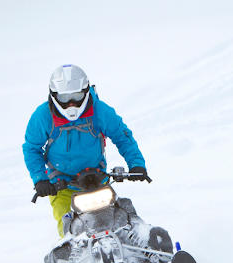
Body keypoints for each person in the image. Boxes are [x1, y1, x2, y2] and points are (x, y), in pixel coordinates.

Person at [23, 64, 147, 238]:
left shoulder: (99, 110)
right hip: (62, 185)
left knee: (120, 218)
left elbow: (122, 135)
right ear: (54, 95)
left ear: (86, 91)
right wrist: (40, 180)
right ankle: (69, 257)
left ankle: (141, 242)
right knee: (69, 230)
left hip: (97, 179)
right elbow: (31, 148)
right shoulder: (42, 116)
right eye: (65, 98)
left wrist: (136, 164)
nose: (71, 103)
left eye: (77, 96)